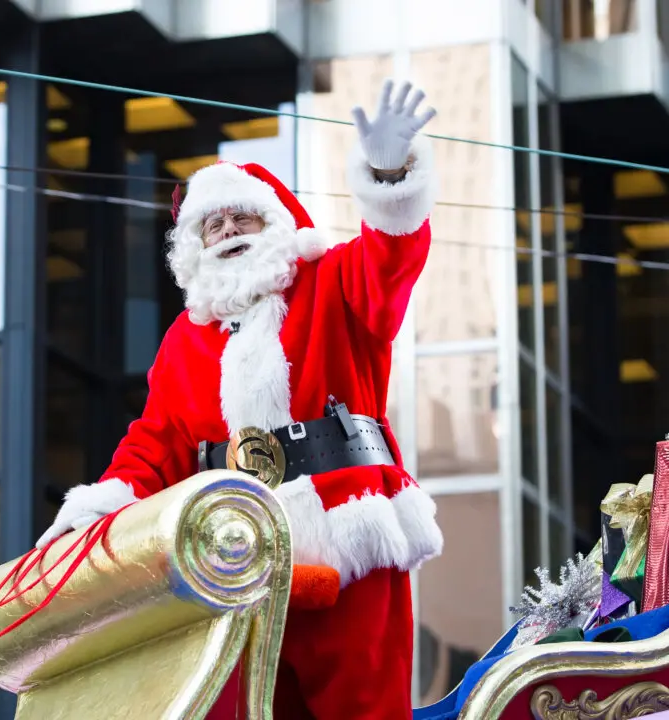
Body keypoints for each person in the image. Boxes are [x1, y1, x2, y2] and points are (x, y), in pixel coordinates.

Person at [36, 79, 444, 719]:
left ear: (275, 223)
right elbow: (155, 442)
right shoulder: (185, 338)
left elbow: (391, 261)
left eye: (241, 217)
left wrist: (388, 176)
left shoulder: (333, 279)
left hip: (348, 535)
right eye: (213, 224)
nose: (227, 232)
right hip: (236, 556)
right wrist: (95, 513)